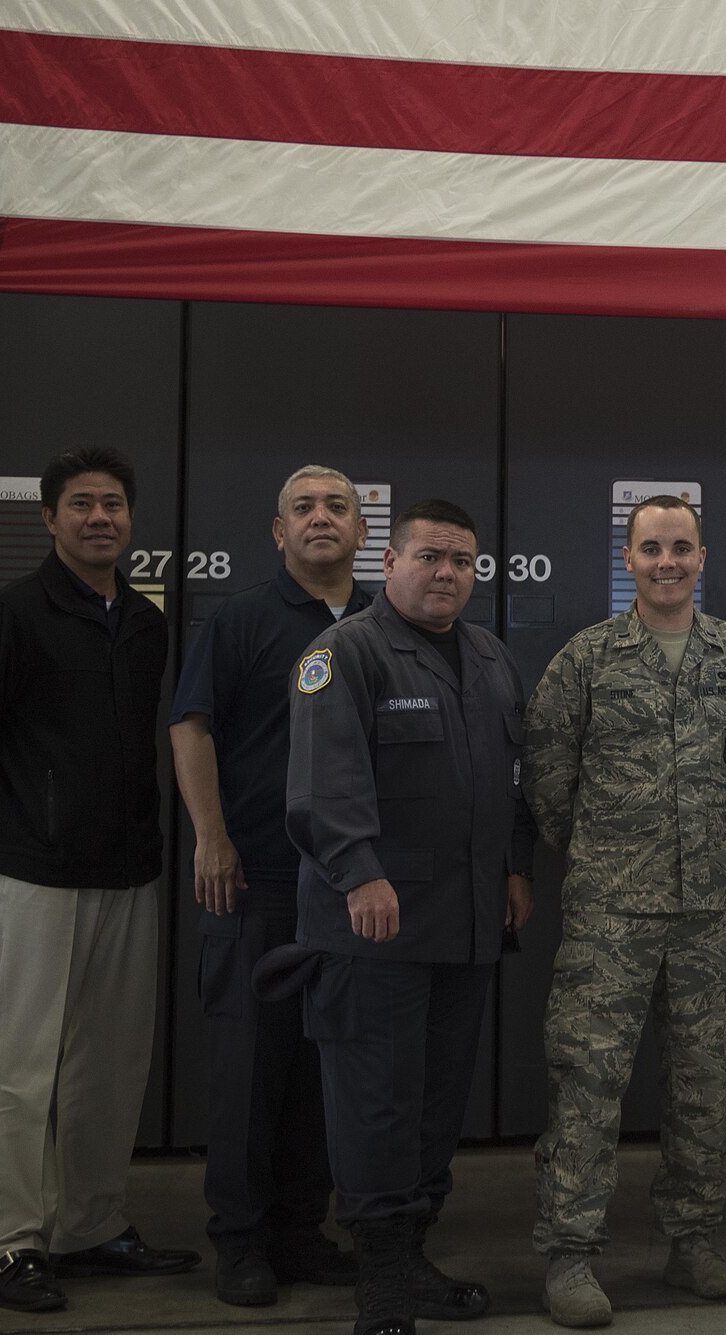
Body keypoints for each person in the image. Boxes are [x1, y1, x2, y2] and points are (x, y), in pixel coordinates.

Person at [0, 446, 199, 1314]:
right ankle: (9, 1243)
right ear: (48, 519)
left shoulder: (148, 621)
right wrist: (16, 822)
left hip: (128, 867)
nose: (99, 518)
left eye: (114, 504)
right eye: (80, 504)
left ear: (130, 519)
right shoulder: (10, 615)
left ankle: (90, 1223)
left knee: (111, 1064)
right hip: (33, 871)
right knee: (24, 1065)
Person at [286, 499, 536, 1335]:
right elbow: (326, 784)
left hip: (462, 925)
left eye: (463, 561)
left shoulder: (492, 657)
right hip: (375, 929)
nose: (447, 574)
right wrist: (359, 873)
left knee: (434, 1102)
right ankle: (382, 1284)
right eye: (430, 557)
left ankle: (413, 1252)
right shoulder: (345, 654)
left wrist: (514, 870)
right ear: (388, 561)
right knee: (376, 1105)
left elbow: (511, 784)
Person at [525, 494, 726, 1329]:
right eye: (650, 547)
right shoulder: (587, 659)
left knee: (704, 1086)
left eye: (681, 547)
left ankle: (692, 1241)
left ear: (703, 557)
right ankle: (568, 1252)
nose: (666, 560)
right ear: (627, 559)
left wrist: (698, 853)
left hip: (709, 910)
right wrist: (609, 860)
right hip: (609, 915)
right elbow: (549, 783)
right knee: (586, 1083)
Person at [169, 466, 370, 1305]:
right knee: (252, 1064)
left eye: (337, 507)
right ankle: (241, 1240)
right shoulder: (242, 618)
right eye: (304, 508)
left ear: (363, 531)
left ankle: (299, 1228)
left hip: (354, 882)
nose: (321, 518)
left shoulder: (382, 618)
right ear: (278, 532)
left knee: (328, 1064)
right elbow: (192, 723)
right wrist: (209, 836)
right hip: (257, 876)